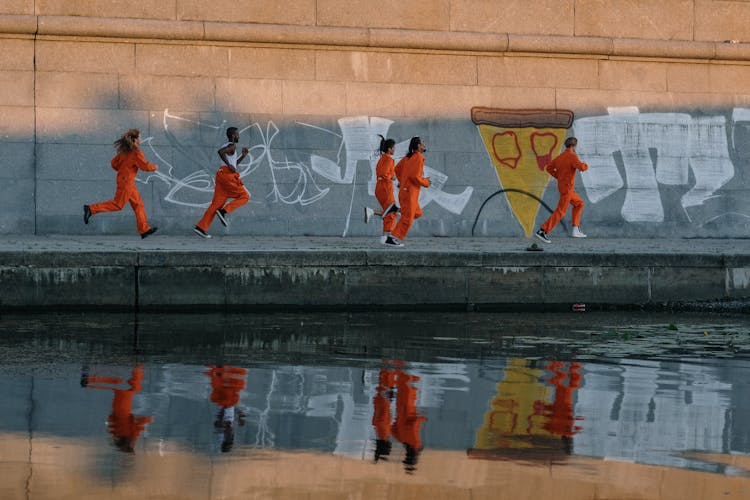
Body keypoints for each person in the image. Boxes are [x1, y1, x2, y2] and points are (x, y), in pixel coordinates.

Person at [83, 129, 158, 239]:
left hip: (125, 181)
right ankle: (91, 209)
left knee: (138, 205)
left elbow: (113, 163)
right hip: (126, 182)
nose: (141, 139)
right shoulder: (136, 153)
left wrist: (123, 170)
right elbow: (145, 166)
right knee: (118, 204)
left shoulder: (124, 152)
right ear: (135, 140)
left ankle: (144, 229)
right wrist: (155, 167)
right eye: (140, 137)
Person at [81, 364, 154, 453]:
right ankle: (88, 381)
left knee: (134, 387)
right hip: (116, 406)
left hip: (124, 405)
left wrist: (149, 419)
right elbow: (110, 417)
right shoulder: (115, 432)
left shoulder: (131, 434)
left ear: (129, 444)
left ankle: (138, 365)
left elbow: (141, 423)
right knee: (117, 384)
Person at [193, 127, 250, 239]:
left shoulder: (227, 146)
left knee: (216, 204)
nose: (239, 136)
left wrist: (243, 156)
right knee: (245, 196)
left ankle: (200, 228)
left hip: (221, 176)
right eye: (237, 134)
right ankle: (223, 211)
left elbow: (233, 164)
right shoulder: (231, 146)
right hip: (227, 176)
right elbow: (221, 153)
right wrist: (229, 165)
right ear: (233, 135)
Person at [535, 137, 589, 243]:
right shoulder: (572, 156)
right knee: (560, 211)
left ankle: (575, 229)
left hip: (565, 188)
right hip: (568, 189)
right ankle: (542, 231)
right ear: (574, 146)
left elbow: (549, 167)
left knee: (579, 203)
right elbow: (581, 167)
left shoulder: (560, 157)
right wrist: (586, 165)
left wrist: (558, 176)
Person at [387, 137, 431, 247]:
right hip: (410, 193)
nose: (424, 144)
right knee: (408, 218)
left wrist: (403, 182)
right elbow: (415, 177)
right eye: (422, 143)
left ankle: (396, 210)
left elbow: (397, 169)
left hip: (407, 191)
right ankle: (392, 238)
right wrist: (426, 182)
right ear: (418, 146)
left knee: (417, 213)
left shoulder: (407, 158)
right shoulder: (419, 157)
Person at [364, 135, 399, 244]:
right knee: (392, 211)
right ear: (389, 149)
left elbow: (383, 173)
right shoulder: (388, 159)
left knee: (389, 212)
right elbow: (384, 174)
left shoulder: (382, 159)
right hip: (385, 187)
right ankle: (389, 237)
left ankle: (384, 237)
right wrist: (391, 177)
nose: (395, 149)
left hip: (381, 187)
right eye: (393, 147)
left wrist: (391, 176)